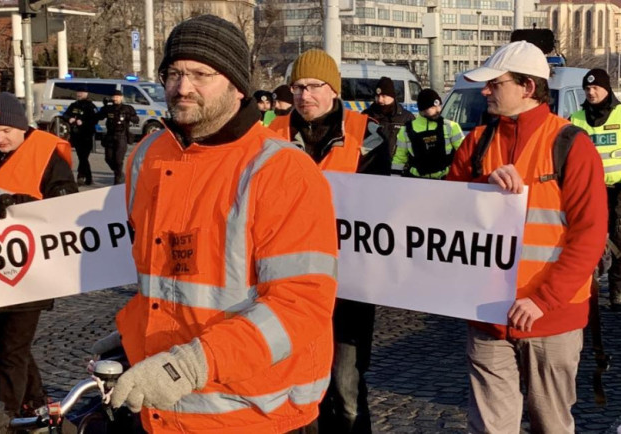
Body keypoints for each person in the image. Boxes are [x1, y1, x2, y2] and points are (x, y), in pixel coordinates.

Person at [106, 15, 337, 433]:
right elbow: (161, 279)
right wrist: (133, 334)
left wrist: (192, 364)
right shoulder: (147, 156)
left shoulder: (281, 170)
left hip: (257, 413)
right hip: (163, 410)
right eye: (173, 73)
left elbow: (300, 305)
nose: (183, 87)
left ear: (236, 84)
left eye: (200, 74)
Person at [447, 41, 607, 433]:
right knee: (490, 428)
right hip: (487, 314)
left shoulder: (571, 144)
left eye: (494, 84)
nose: (485, 91)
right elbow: (445, 213)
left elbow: (589, 236)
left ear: (527, 88)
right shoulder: (476, 142)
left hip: (552, 317)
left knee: (551, 425)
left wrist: (542, 300)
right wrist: (483, 184)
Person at [268, 48, 387, 434]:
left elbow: (375, 205)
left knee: (346, 389)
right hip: (287, 285)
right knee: (295, 390)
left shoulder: (367, 134)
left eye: (314, 86)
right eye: (297, 87)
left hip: (348, 286)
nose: (304, 95)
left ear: (333, 89)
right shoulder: (271, 134)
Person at [0, 92, 78, 417]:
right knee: (12, 347)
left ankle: (3, 415)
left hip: (31, 272)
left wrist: (26, 202)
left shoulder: (46, 155)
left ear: (22, 127)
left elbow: (68, 200)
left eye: (7, 131)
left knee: (12, 349)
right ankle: (36, 403)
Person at [570, 68, 621, 311]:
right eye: (587, 89)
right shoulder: (576, 118)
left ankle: (616, 295)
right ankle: (586, 291)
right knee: (588, 241)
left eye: (596, 88)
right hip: (589, 191)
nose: (591, 92)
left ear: (607, 89)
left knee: (619, 244)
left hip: (619, 190)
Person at [392, 88, 464, 179]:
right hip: (417, 181)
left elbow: (464, 154)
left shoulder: (450, 126)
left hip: (445, 181)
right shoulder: (406, 130)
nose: (438, 110)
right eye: (433, 108)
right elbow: (399, 158)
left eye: (439, 106)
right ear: (422, 109)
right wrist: (394, 179)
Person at [361, 76, 414, 157]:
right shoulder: (366, 116)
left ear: (392, 96)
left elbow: (413, 147)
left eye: (384, 96)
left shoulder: (406, 118)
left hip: (395, 166)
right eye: (377, 96)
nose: (380, 100)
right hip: (371, 167)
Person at [96, 90, 139, 184]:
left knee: (119, 159)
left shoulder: (127, 108)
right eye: (114, 96)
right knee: (108, 158)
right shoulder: (109, 108)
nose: (115, 98)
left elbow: (136, 120)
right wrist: (104, 107)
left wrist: (129, 117)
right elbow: (99, 117)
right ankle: (118, 172)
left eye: (117, 97)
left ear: (121, 98)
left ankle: (118, 177)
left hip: (121, 136)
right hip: (110, 136)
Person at [62, 85, 97, 185]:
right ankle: (87, 177)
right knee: (81, 156)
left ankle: (82, 176)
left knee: (83, 156)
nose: (79, 94)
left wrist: (84, 122)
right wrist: (69, 119)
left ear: (86, 94)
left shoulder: (90, 106)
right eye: (78, 92)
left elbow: (94, 119)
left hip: (86, 134)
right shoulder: (73, 105)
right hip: (76, 134)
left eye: (81, 92)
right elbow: (65, 115)